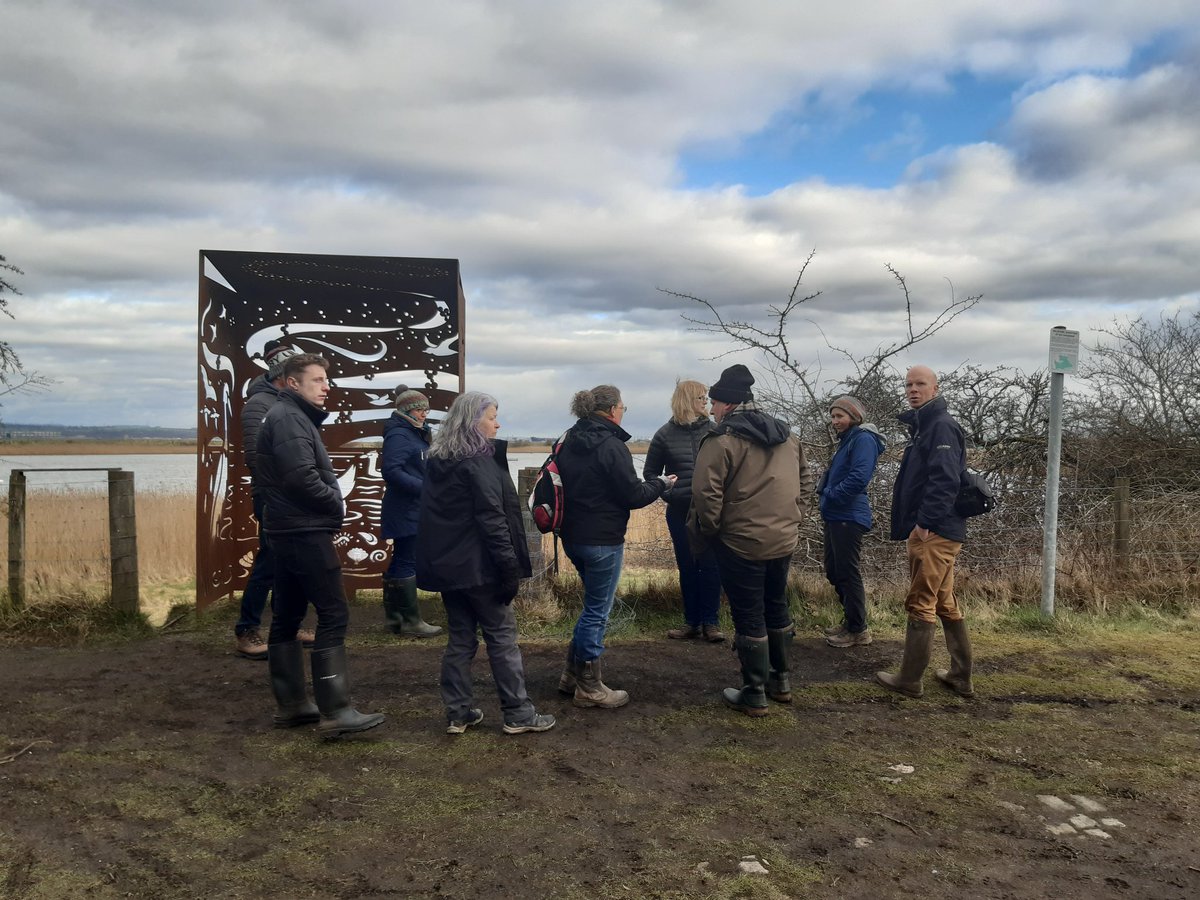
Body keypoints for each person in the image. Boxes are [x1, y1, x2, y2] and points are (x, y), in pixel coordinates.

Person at [258, 353, 385, 737]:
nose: (326, 386)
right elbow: (300, 477)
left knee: (288, 615)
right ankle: (336, 710)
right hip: (304, 530)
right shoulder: (290, 419)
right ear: (292, 383)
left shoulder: (286, 417)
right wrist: (335, 501)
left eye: (325, 379)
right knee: (333, 613)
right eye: (317, 380)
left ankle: (294, 705)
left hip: (286, 529)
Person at [416, 392, 556, 735]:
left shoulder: (439, 461)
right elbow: (494, 520)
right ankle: (518, 713)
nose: (498, 423)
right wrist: (508, 569)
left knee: (461, 639)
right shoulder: (478, 463)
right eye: (492, 416)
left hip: (450, 568)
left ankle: (458, 712)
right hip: (481, 568)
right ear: (473, 421)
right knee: (502, 637)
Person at [689, 364, 813, 717]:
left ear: (726, 404)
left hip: (741, 542)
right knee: (776, 604)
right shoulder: (788, 437)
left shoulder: (721, 440)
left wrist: (713, 530)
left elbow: (704, 492)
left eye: (713, 403)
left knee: (748, 612)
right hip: (783, 538)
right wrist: (794, 518)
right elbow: (805, 483)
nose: (711, 409)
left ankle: (754, 691)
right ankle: (781, 681)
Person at [556, 385, 675, 709]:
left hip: (571, 537)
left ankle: (571, 676)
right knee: (597, 612)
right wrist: (661, 483)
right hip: (603, 540)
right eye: (624, 407)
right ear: (611, 411)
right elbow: (633, 496)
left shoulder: (567, 439)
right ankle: (590, 688)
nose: (624, 412)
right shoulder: (612, 446)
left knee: (591, 608)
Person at [876, 365, 974, 699]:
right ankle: (960, 676)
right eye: (908, 384)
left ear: (935, 388)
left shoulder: (941, 427)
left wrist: (925, 524)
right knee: (944, 601)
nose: (912, 389)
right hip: (940, 529)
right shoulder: (926, 426)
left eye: (920, 384)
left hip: (935, 531)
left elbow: (945, 480)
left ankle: (909, 679)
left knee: (921, 602)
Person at [235, 339, 315, 659]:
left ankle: (287, 625)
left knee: (289, 563)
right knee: (269, 562)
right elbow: (257, 457)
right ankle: (246, 630)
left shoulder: (288, 403)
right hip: (274, 496)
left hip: (292, 495)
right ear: (283, 376)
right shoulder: (259, 405)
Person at [643, 380, 723, 642]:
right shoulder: (664, 434)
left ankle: (711, 623)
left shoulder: (715, 431)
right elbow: (650, 474)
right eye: (701, 398)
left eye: (706, 398)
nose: (706, 403)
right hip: (679, 511)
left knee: (711, 566)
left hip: (710, 511)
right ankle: (691, 622)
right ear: (688, 400)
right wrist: (669, 493)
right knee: (687, 567)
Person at [818, 396, 885, 648]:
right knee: (835, 570)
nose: (835, 421)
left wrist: (831, 495)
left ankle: (858, 629)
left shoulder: (863, 440)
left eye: (840, 416)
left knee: (847, 571)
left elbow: (859, 477)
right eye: (833, 416)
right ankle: (851, 622)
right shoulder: (847, 440)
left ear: (854, 417)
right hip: (836, 515)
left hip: (848, 515)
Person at [380, 385, 442, 638]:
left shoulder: (414, 434)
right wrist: (425, 488)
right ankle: (410, 622)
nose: (424, 413)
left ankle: (395, 619)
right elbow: (391, 471)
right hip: (407, 508)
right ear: (407, 411)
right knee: (407, 560)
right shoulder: (400, 435)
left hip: (411, 507)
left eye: (426, 408)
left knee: (401, 558)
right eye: (419, 409)